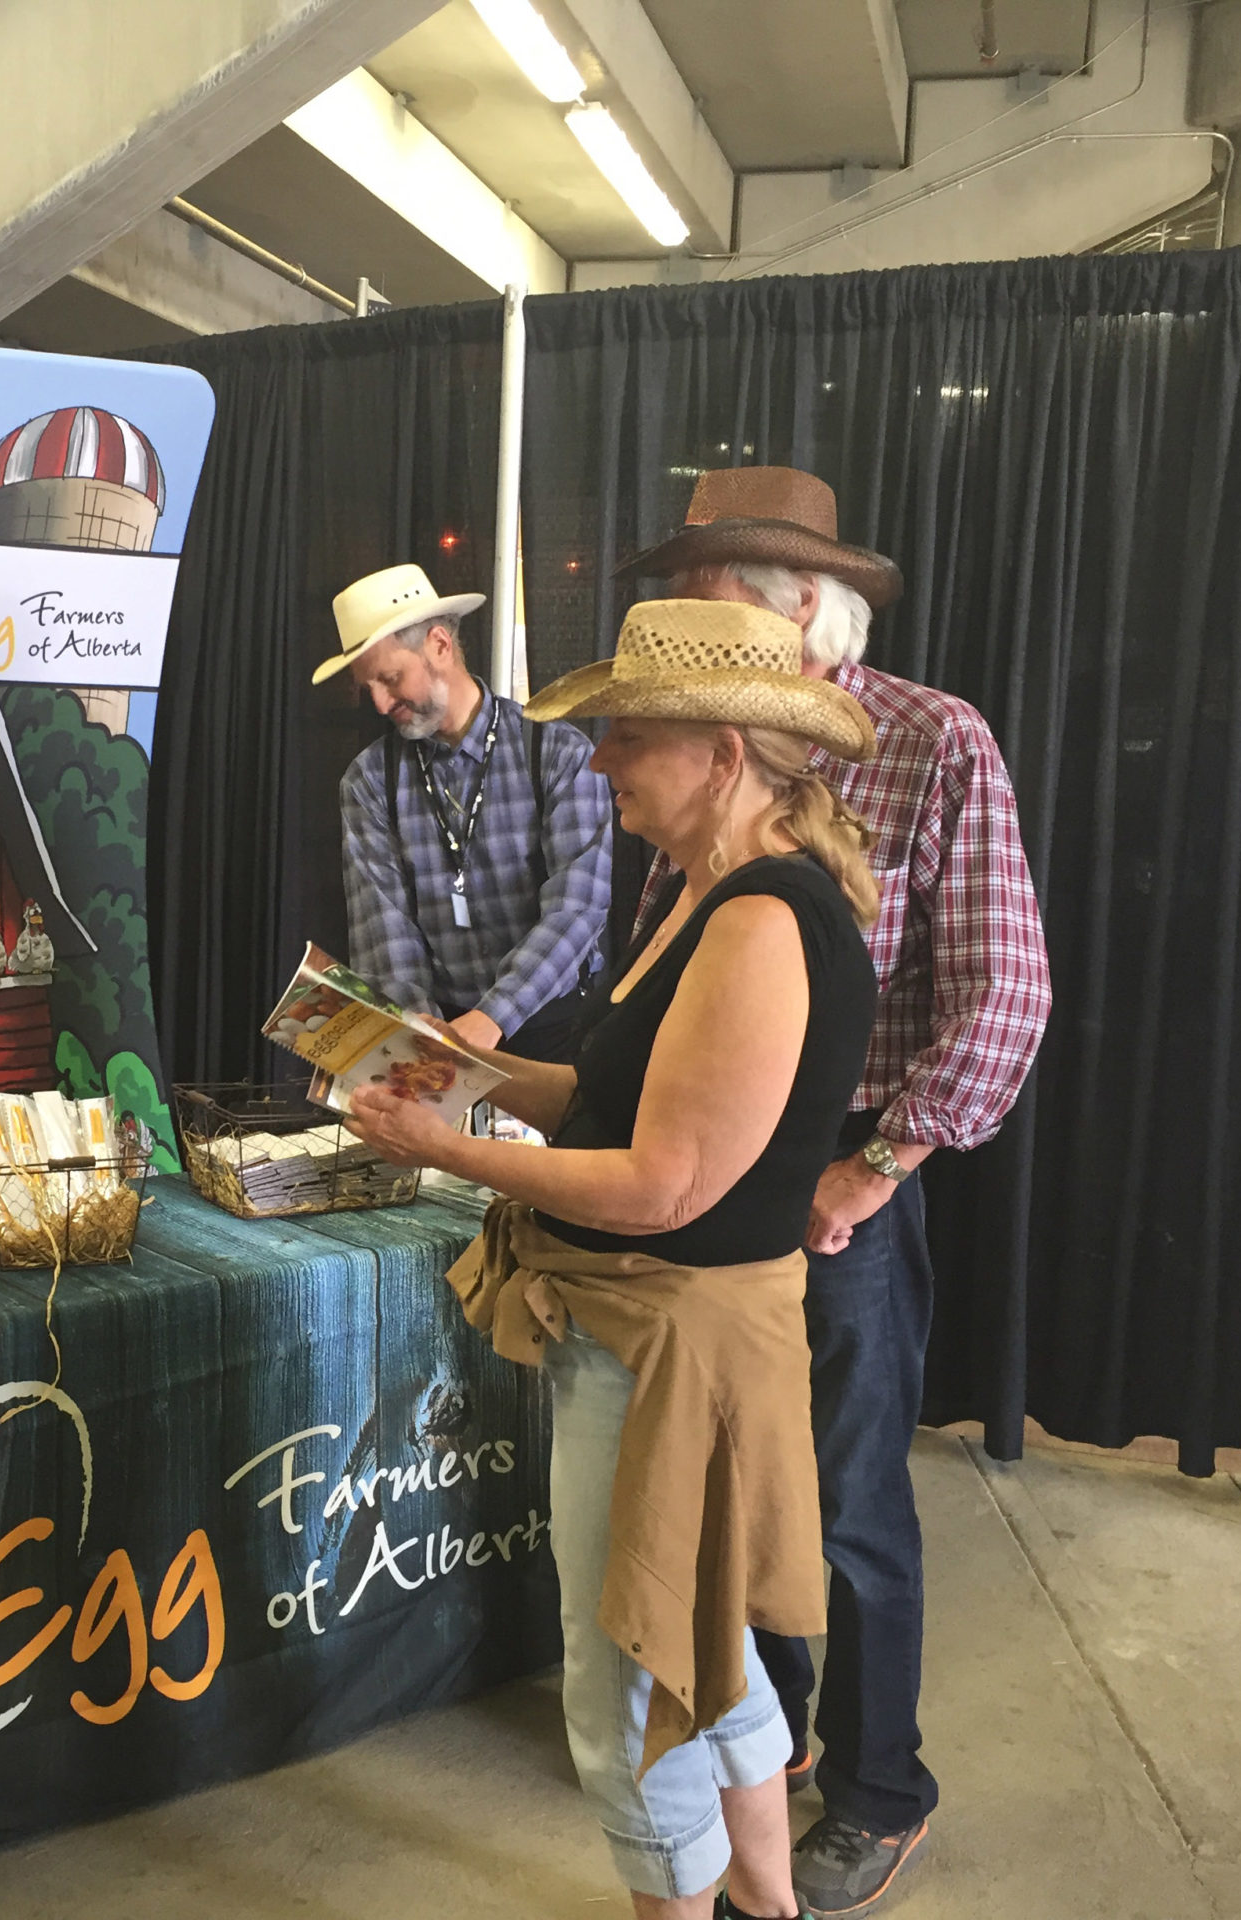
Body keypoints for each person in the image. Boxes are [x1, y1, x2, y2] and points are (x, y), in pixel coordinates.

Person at [347, 597, 881, 1920]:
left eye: (626, 739)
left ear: (720, 751)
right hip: (657, 1334)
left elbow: (661, 1185)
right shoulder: (704, 896)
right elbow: (603, 1095)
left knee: (623, 1685)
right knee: (705, 1649)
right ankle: (769, 1904)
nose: (599, 766)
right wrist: (462, 1083)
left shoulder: (761, 920)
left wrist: (447, 1140)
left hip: (670, 1344)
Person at [622, 466, 1052, 1915]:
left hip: (844, 1165)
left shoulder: (934, 743)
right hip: (718, 1168)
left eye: (718, 597)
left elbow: (1005, 993)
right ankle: (772, 1747)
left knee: (851, 1494)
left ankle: (879, 1785)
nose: (693, 621)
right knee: (748, 1489)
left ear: (810, 610)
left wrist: (875, 1168)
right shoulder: (710, 743)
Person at [320, 563, 611, 1062]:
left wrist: (493, 1017)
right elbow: (383, 933)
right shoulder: (368, 782)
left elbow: (578, 908)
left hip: (560, 1025)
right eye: (367, 687)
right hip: (443, 1033)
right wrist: (417, 1031)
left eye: (390, 678)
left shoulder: (558, 752)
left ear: (439, 644)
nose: (380, 703)